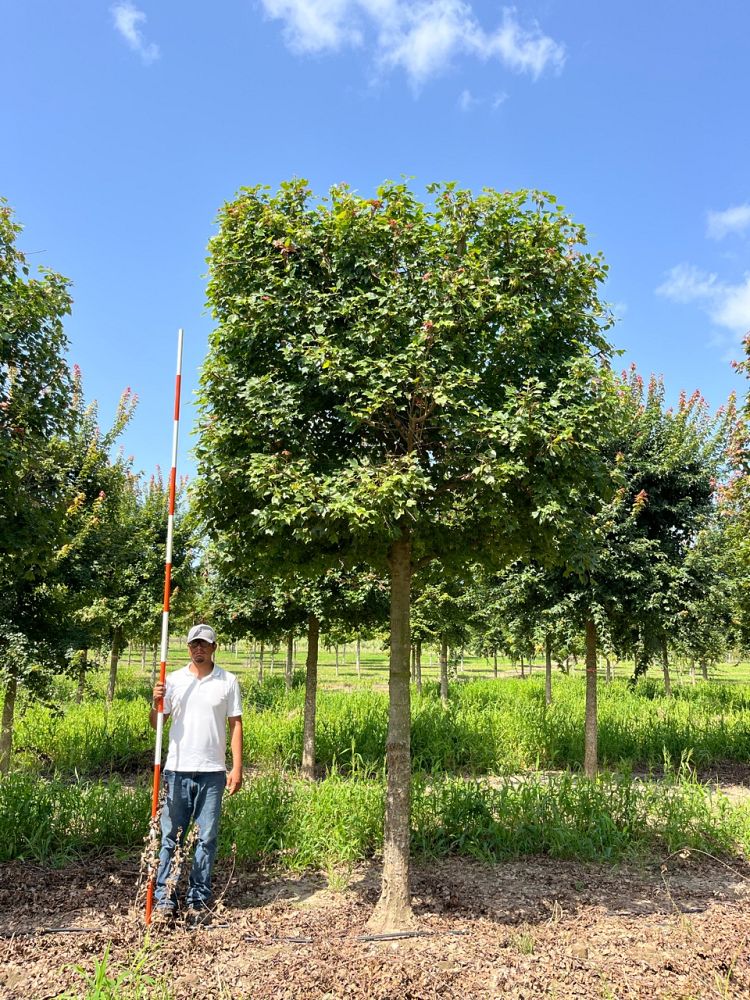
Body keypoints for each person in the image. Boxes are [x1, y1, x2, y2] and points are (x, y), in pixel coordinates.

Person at [150, 623, 243, 924]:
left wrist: (237, 767)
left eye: (204, 644)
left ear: (214, 647)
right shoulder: (173, 681)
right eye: (194, 644)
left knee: (207, 839)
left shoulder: (227, 682)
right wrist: (156, 702)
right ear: (188, 648)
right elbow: (157, 724)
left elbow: (236, 725)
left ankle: (198, 901)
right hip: (176, 770)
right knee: (170, 838)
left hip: (212, 773)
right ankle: (165, 900)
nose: (198, 649)